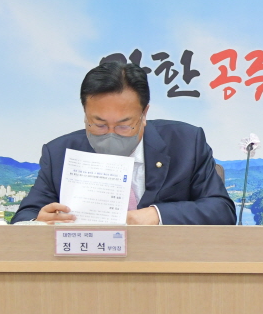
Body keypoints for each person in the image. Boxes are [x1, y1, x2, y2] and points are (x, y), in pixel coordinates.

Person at [14, 61, 235, 225]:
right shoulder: (60, 153)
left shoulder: (185, 142)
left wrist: (156, 215)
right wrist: (38, 223)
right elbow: (24, 217)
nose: (111, 134)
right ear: (85, 114)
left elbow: (221, 210)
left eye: (123, 125)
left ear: (144, 114)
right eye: (99, 125)